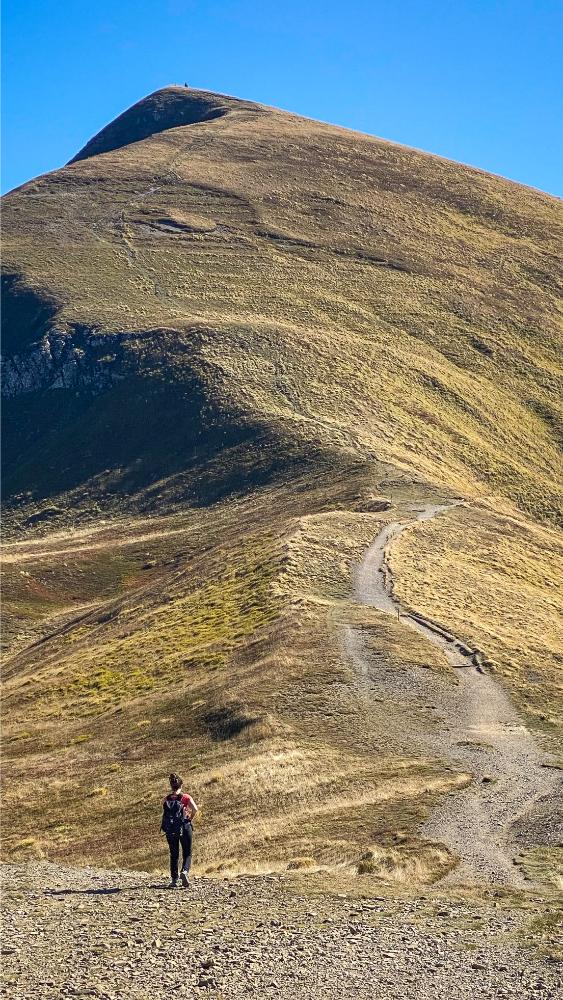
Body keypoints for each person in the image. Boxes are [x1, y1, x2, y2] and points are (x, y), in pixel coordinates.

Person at [161, 772, 198, 888]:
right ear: (181, 785)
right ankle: (184, 872)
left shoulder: (166, 798)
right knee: (187, 852)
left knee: (174, 854)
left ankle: (174, 880)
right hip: (184, 826)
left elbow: (164, 810)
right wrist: (189, 819)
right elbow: (195, 809)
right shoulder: (186, 797)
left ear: (171, 786)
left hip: (170, 829)